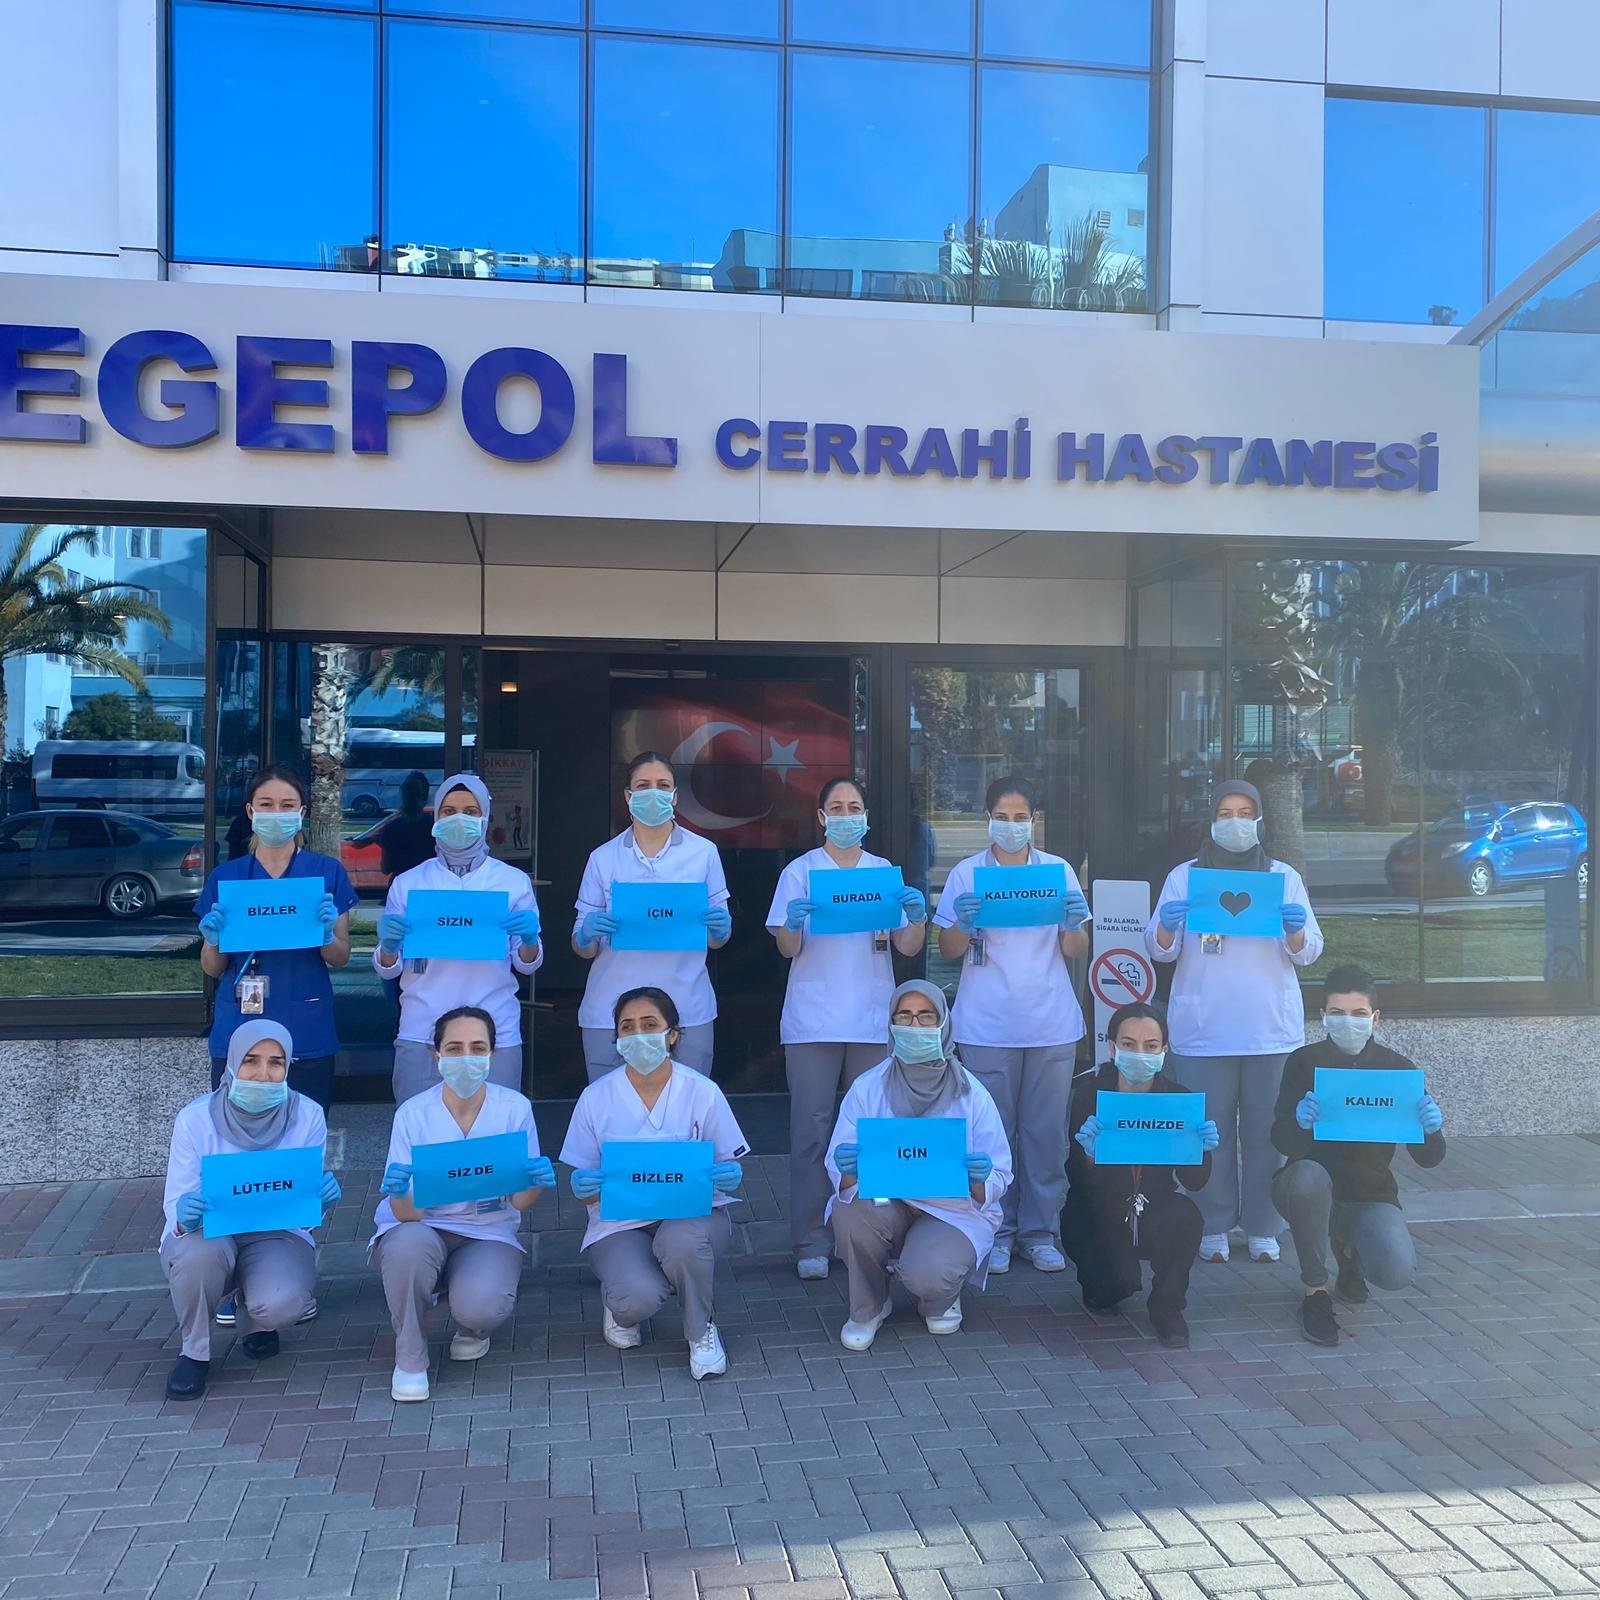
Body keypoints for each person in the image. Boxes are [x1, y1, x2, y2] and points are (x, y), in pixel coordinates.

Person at [1144, 778, 1323, 1265]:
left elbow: (1309, 951)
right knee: (1209, 1132)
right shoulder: (1185, 876)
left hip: (1269, 1030)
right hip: (1204, 1029)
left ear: (1260, 820)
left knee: (1267, 1134)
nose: (1235, 823)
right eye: (1225, 813)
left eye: (1245, 813)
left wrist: (1294, 930)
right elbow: (1159, 949)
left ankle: (1264, 1225)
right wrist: (1167, 924)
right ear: (1211, 820)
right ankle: (1213, 1224)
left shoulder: (1283, 876)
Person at [767, 777, 928, 1281]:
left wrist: (917, 917)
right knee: (811, 1134)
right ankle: (811, 1241)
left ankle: (879, 1236)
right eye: (835, 807)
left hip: (871, 1019)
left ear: (866, 817)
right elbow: (787, 948)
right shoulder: (800, 873)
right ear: (821, 818)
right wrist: (793, 923)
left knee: (877, 1131)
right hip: (813, 1021)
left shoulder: (882, 874)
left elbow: (906, 946)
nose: (845, 815)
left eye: (853, 807)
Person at [932, 774, 1092, 1274]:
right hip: (986, 1024)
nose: (1011, 825)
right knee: (993, 1133)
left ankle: (1039, 1232)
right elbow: (948, 949)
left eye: (1020, 817)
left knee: (1044, 1134)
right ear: (987, 818)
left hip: (1049, 1023)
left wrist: (1073, 922)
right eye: (1001, 816)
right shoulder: (967, 874)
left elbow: (1076, 949)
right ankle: (996, 1230)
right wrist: (963, 923)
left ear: (1034, 821)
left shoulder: (1057, 872)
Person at [560, 986, 749, 1379]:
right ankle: (622, 1300)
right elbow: (583, 1180)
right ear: (617, 1038)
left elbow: (729, 1160)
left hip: (692, 1217)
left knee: (681, 1243)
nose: (638, 1035)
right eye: (627, 1027)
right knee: (637, 1297)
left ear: (672, 1034)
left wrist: (730, 1173)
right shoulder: (596, 1097)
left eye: (650, 1025)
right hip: (621, 1224)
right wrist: (583, 1187)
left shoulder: (702, 1091)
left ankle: (700, 1330)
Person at [371, 1005, 553, 1400]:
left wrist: (536, 1183)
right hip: (423, 1227)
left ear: (492, 1053)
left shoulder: (514, 1109)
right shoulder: (413, 1115)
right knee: (407, 1246)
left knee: (482, 1306)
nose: (466, 1058)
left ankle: (472, 1327)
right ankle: (410, 1355)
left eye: (477, 1048)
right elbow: (406, 1214)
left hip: (487, 1232)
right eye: (454, 1048)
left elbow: (520, 1202)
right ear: (436, 1055)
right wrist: (399, 1191)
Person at [159, 1020, 341, 1400]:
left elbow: (302, 1206)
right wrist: (184, 1214)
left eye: (276, 1063)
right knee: (197, 1258)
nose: (263, 1074)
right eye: (251, 1060)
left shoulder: (307, 1115)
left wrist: (318, 1201)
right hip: (208, 1233)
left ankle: (256, 1321)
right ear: (232, 1062)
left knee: (283, 1302)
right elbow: (176, 1202)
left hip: (275, 1233)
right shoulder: (195, 1119)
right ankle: (194, 1351)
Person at [825, 980, 1011, 1351]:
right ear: (891, 1023)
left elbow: (1001, 1174)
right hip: (887, 1203)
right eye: (905, 1016)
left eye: (926, 1016)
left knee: (929, 1272)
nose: (915, 1026)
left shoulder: (971, 1092)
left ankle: (940, 1299)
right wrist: (848, 1168)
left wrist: (980, 1178)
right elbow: (839, 1169)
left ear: (943, 1024)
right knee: (849, 1213)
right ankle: (869, 1306)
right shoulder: (868, 1087)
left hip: (952, 1212)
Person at [1270, 965, 1446, 1347]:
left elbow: (1428, 1159)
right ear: (1323, 1016)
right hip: (1307, 1187)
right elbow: (1281, 1141)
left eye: (1358, 1013)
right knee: (1308, 1178)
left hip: (1369, 1193)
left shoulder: (1397, 1070)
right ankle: (1315, 1292)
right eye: (1337, 1012)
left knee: (1396, 1271)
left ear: (1375, 1018)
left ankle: (1350, 1256)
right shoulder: (1303, 1062)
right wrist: (1299, 1122)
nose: (1347, 1021)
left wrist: (1431, 1128)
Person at [196, 764, 357, 1112]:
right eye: (266, 805)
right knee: (236, 1130)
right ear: (250, 811)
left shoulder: (326, 873)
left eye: (287, 805)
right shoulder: (227, 878)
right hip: (240, 1023)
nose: (276, 813)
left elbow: (341, 956)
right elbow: (212, 968)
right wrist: (213, 941)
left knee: (305, 1129)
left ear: (302, 812)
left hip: (305, 1024)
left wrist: (326, 936)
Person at [375, 773, 544, 1104]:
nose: (459, 819)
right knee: (420, 1127)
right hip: (422, 1029)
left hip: (495, 1030)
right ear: (436, 818)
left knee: (496, 1126)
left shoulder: (512, 882)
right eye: (449, 811)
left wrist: (528, 939)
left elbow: (527, 964)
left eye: (470, 811)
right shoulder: (409, 883)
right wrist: (389, 947)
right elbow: (388, 967)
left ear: (485, 818)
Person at [1062, 1003, 1220, 1349]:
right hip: (1098, 1211)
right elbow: (1075, 1180)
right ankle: (1104, 1283)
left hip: (1154, 1206)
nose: (1140, 1054)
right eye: (1128, 1044)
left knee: (1186, 1216)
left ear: (1164, 1050)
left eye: (1151, 1046)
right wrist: (1088, 1155)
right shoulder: (1091, 1096)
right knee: (1115, 1286)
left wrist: (1202, 1149)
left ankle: (1168, 1308)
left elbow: (1194, 1182)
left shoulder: (1178, 1100)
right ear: (1112, 1047)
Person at [572, 752, 731, 1082]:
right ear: (628, 796)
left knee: (689, 1104)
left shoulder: (704, 853)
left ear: (675, 795)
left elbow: (717, 940)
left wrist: (720, 929)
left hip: (687, 1006)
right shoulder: (602, 858)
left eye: (663, 785)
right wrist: (586, 933)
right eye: (643, 786)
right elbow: (582, 947)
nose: (653, 793)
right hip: (610, 1008)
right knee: (611, 1105)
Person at [375, 769, 436, 880]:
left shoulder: (391, 829)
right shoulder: (435, 827)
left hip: (401, 883)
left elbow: (386, 868)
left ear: (403, 796)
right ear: (426, 796)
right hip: (429, 883)